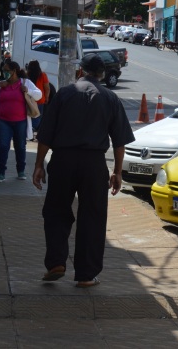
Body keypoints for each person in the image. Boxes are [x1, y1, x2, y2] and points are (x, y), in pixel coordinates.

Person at [32, 54, 135, 288]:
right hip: (94, 163)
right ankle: (86, 275)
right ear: (101, 74)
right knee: (93, 216)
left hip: (63, 160)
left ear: (81, 70)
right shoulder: (110, 98)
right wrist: (117, 172)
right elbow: (120, 142)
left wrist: (39, 164)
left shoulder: (64, 95)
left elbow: (46, 134)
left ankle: (56, 262)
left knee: (56, 211)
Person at [0, 60, 41, 182]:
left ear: (14, 71)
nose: (4, 73)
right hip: (3, 121)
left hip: (20, 121)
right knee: (3, 146)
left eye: (7, 71)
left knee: (20, 146)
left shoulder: (24, 82)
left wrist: (28, 91)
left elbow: (39, 95)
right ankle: (1, 173)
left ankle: (21, 171)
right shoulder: (1, 85)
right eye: (3, 71)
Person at [26, 60, 51, 137]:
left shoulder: (27, 75)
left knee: (29, 115)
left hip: (29, 99)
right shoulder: (42, 75)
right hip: (39, 100)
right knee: (38, 116)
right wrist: (47, 97)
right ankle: (33, 129)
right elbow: (47, 88)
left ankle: (30, 130)